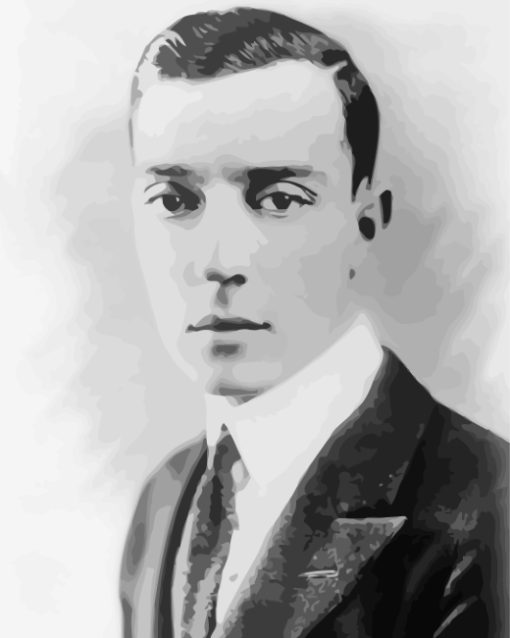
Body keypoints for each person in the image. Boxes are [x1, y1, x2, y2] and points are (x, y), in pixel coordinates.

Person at [120, 8, 508, 637]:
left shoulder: (488, 511)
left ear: (366, 222)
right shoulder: (163, 502)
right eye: (174, 200)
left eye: (279, 199)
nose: (220, 261)